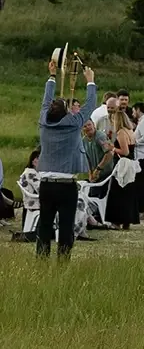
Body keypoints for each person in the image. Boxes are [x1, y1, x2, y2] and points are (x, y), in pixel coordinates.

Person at [34, 57, 98, 256]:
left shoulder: (44, 122)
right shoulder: (74, 123)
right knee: (66, 225)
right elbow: (90, 104)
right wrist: (90, 81)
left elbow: (46, 101)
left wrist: (52, 76)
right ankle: (63, 261)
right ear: (66, 113)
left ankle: (41, 260)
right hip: (66, 184)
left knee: (44, 224)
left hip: (46, 183)